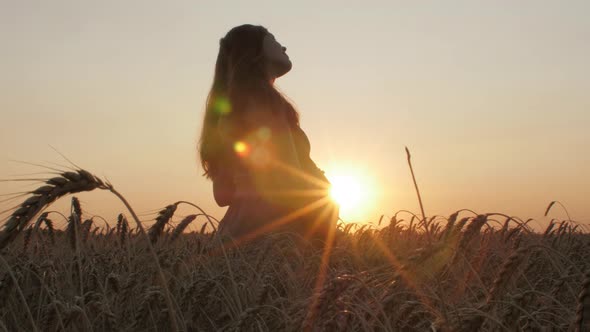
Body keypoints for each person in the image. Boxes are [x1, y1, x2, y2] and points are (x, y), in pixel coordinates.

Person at [197, 24, 339, 246]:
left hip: (235, 233)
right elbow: (288, 182)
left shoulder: (229, 111)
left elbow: (222, 194)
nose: (283, 45)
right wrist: (324, 217)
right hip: (279, 237)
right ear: (255, 50)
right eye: (272, 38)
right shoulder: (264, 101)